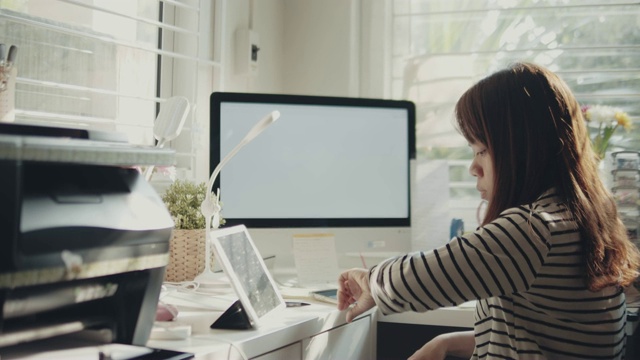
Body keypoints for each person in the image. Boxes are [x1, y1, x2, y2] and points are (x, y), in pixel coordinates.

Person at [338, 62, 640, 359]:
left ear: (520, 150)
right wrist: (445, 342)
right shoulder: (578, 219)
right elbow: (534, 337)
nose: (473, 167)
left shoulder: (534, 228)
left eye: (481, 150)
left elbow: (423, 276)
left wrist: (369, 280)